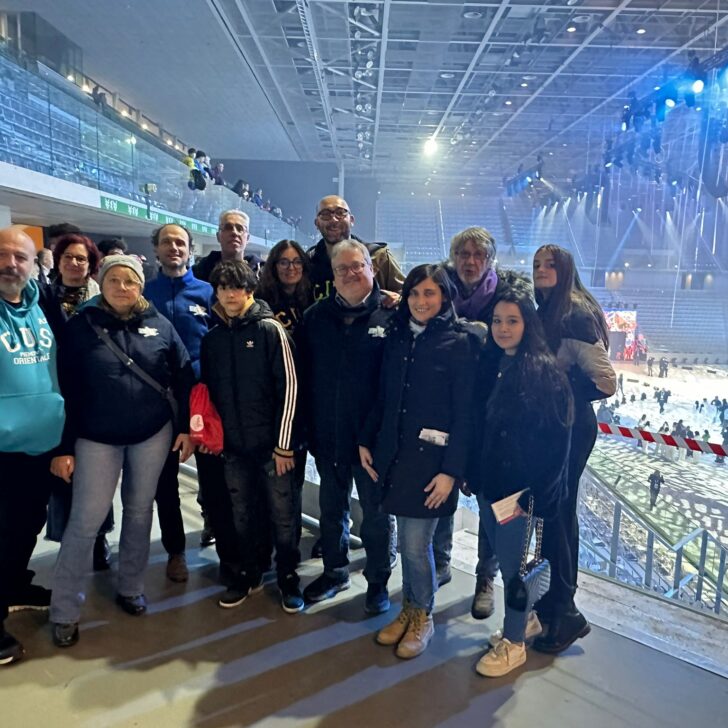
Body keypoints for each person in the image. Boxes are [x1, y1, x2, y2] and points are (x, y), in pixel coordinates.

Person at [49, 255, 194, 648]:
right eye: (113, 279)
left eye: (129, 281)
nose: (121, 287)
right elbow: (64, 387)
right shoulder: (82, 325)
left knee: (139, 510)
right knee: (85, 520)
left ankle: (130, 586)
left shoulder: (159, 324)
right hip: (95, 437)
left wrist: (183, 429)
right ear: (102, 282)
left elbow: (183, 375)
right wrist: (64, 446)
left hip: (151, 433)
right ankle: (64, 609)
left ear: (140, 286)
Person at [359, 264, 479, 659]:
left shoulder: (459, 343)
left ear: (444, 297)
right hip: (395, 455)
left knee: (414, 545)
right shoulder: (396, 338)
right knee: (408, 542)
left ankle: (422, 614)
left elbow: (466, 415)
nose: (420, 301)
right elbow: (381, 396)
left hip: (432, 464)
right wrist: (366, 440)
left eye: (429, 293)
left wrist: (451, 472)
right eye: (414, 293)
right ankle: (409, 608)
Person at [469, 278, 573, 677]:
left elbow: (556, 445)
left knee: (514, 571)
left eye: (512, 320)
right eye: (496, 320)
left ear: (528, 323)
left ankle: (514, 645)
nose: (502, 328)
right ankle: (523, 621)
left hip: (517, 495)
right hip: (488, 489)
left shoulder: (544, 373)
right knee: (506, 562)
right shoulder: (492, 366)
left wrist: (538, 497)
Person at [298, 239, 394, 613]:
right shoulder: (315, 318)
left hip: (372, 442)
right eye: (343, 269)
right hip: (329, 436)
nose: (352, 274)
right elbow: (304, 377)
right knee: (332, 509)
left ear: (372, 269)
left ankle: (378, 582)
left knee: (376, 516)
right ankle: (335, 572)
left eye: (358, 266)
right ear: (333, 277)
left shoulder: (392, 316)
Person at [200, 260, 302, 613]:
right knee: (242, 514)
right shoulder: (212, 339)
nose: (230, 294)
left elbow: (290, 389)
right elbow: (210, 395)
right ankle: (251, 571)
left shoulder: (271, 331)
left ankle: (289, 577)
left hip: (273, 449)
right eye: (223, 287)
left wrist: (284, 445)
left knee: (284, 515)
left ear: (250, 290)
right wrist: (215, 440)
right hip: (233, 448)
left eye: (237, 287)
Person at [532, 244, 616, 654]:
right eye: (537, 265)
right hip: (554, 426)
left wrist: (556, 392)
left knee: (559, 515)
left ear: (566, 271)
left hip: (569, 426)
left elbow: (605, 382)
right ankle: (555, 604)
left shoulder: (574, 311)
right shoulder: (551, 305)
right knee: (554, 513)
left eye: (551, 265)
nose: (542, 270)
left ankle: (565, 611)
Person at [0, 226, 66, 666]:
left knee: (26, 523)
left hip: (41, 441)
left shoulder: (42, 306)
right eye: (4, 256)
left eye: (20, 258)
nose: (11, 265)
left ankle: (14, 586)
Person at [144, 223, 217, 582]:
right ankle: (175, 551)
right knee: (165, 481)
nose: (174, 248)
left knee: (214, 477)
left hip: (205, 400)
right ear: (156, 250)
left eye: (180, 243)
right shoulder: (144, 294)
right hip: (161, 403)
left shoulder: (207, 292)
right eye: (167, 243)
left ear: (190, 250)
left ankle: (221, 538)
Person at [439, 226, 502, 618]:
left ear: (490, 260)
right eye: (464, 253)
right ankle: (440, 561)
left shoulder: (505, 297)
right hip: (444, 411)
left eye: (479, 254)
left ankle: (485, 577)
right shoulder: (439, 290)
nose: (471, 261)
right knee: (440, 491)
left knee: (491, 502)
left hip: (489, 417)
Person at [45, 234, 114, 571]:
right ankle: (68, 541)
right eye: (69, 257)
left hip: (93, 397)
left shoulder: (103, 302)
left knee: (96, 473)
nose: (75, 263)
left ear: (91, 264)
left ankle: (99, 537)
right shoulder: (41, 299)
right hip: (53, 393)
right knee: (63, 473)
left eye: (82, 259)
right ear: (58, 261)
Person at [257, 239, 315, 546]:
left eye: (296, 262)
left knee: (293, 479)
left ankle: (288, 545)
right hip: (271, 402)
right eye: (283, 262)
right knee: (271, 479)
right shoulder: (260, 302)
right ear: (273, 266)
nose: (290, 268)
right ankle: (267, 541)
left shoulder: (314, 300)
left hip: (305, 403)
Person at [307, 195, 404, 302]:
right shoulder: (308, 262)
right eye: (325, 214)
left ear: (351, 220)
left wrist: (397, 299)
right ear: (317, 223)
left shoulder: (378, 256)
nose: (333, 219)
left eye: (340, 213)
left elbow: (406, 294)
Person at [192, 210, 263, 281]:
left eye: (240, 229)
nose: (234, 232)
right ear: (218, 236)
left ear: (247, 238)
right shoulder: (198, 272)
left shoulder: (262, 274)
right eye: (228, 228)